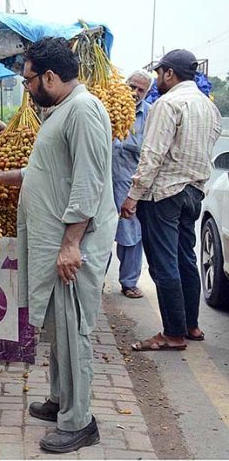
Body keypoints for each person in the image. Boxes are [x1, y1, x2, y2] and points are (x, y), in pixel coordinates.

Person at [0, 37, 116, 453]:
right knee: (59, 329)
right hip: (57, 243)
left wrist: (71, 244)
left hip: (73, 248)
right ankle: (61, 401)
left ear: (49, 77)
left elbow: (89, 182)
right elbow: (44, 171)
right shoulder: (62, 112)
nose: (27, 87)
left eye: (29, 79)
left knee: (74, 332)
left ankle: (80, 421)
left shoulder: (84, 111)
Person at [121, 49, 222, 351]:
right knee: (185, 259)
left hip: (165, 195)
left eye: (158, 75)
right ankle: (191, 325)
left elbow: (151, 156)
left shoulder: (167, 104)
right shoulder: (209, 108)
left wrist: (132, 196)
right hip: (193, 193)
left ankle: (173, 333)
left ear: (169, 73)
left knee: (164, 264)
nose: (156, 82)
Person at [110, 70, 153, 299]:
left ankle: (129, 282)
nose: (135, 93)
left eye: (141, 90)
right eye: (132, 86)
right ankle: (93, 282)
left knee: (130, 236)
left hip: (129, 186)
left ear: (146, 93)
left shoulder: (150, 116)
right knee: (98, 234)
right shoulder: (108, 106)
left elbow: (151, 157)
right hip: (103, 183)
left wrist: (137, 193)